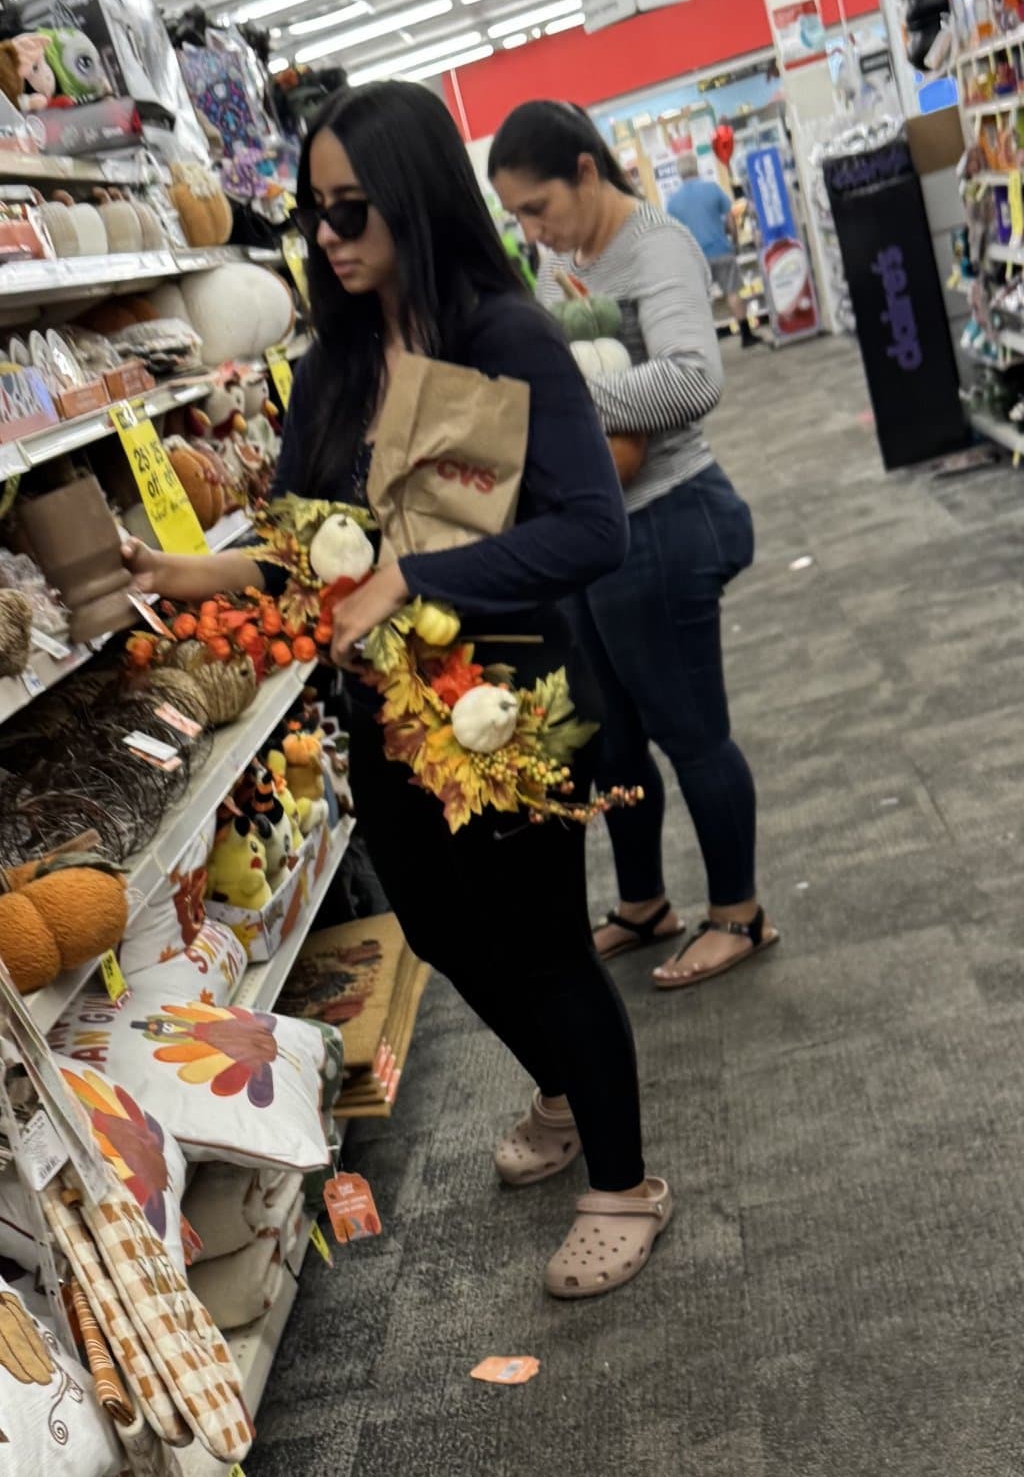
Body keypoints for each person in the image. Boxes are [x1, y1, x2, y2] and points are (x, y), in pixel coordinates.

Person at [122, 81, 671, 1300]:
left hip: (505, 699)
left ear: (415, 197)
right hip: (382, 708)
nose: (326, 234)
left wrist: (420, 573)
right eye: (312, 211)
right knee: (437, 924)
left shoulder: (506, 337)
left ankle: (624, 1181)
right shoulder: (333, 366)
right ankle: (565, 1092)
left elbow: (591, 531)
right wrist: (184, 568)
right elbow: (302, 545)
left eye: (350, 207)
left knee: (542, 943)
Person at [489, 100, 777, 989]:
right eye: (519, 218)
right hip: (593, 531)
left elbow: (695, 377)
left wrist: (561, 406)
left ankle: (738, 914)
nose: (534, 230)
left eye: (539, 207)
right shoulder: (561, 258)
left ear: (586, 170)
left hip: (668, 516)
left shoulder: (656, 248)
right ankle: (645, 902)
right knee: (611, 739)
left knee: (692, 732)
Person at [666, 152, 761, 349]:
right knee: (733, 292)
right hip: (721, 250)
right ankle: (746, 335)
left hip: (694, 258)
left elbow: (674, 234)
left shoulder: (673, 202)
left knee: (701, 301)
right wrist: (734, 242)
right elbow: (730, 219)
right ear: (696, 168)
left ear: (679, 173)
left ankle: (708, 344)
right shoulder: (712, 189)